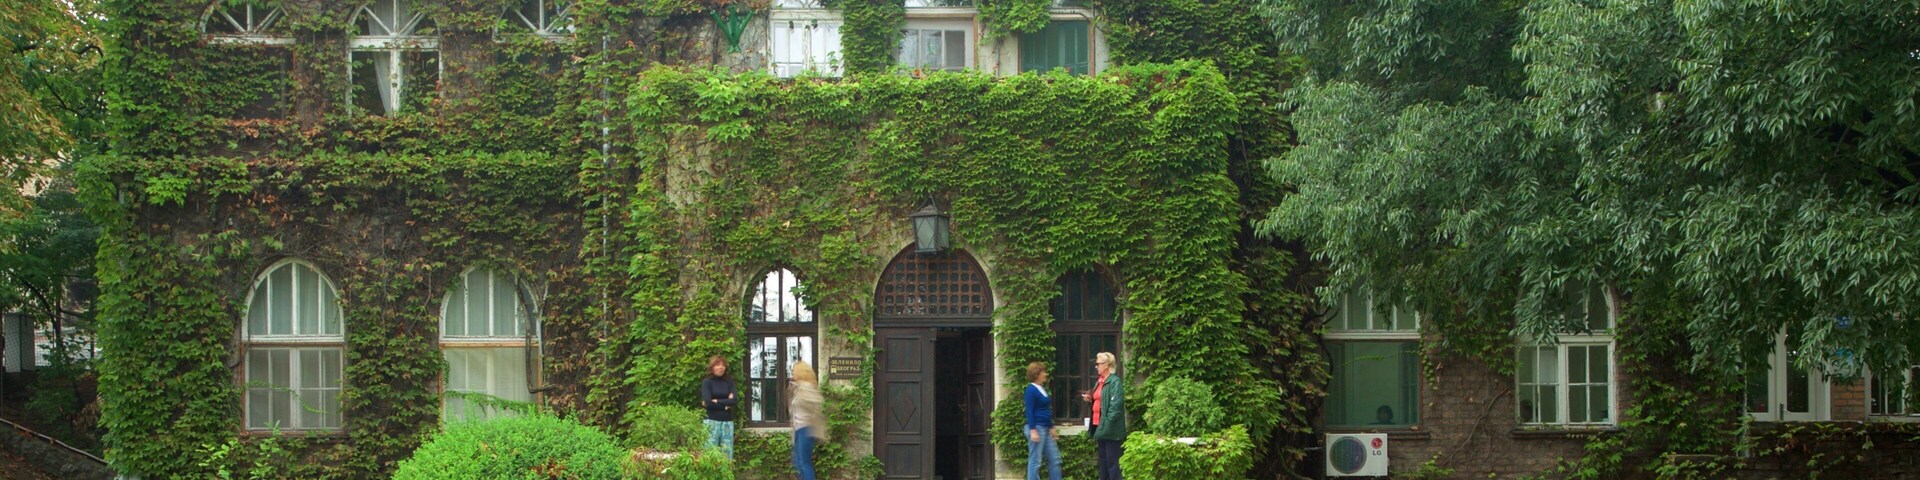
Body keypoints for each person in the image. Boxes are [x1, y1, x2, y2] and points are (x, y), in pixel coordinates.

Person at [1082, 352, 1126, 480]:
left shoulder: (1115, 382)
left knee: (1112, 464)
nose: (1096, 366)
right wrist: (1091, 399)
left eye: (1098, 364)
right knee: (1103, 462)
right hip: (1099, 426)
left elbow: (1115, 407)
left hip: (1110, 430)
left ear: (1106, 365)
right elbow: (1102, 401)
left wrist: (1106, 425)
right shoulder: (1100, 382)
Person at [1024, 361, 1062, 480]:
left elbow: (1046, 410)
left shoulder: (1041, 389)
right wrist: (1033, 430)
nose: (1046, 374)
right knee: (1035, 461)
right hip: (1037, 428)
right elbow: (1029, 411)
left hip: (1045, 428)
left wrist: (1051, 427)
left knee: (1055, 459)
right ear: (1036, 374)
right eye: (1043, 372)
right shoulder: (1030, 390)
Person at [790, 361, 827, 480]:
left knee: (804, 462)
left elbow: (817, 402)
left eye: (793, 371)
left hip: (806, 428)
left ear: (799, 373)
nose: (792, 374)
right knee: (797, 461)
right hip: (799, 428)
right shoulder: (799, 387)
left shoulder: (806, 387)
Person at [700, 355, 738, 459]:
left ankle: (725, 475)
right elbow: (708, 402)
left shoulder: (729, 382)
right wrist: (726, 404)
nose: (721, 367)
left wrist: (717, 400)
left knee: (727, 455)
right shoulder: (707, 382)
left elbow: (734, 401)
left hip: (727, 423)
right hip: (711, 422)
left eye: (723, 365)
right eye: (718, 365)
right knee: (709, 455)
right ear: (712, 367)